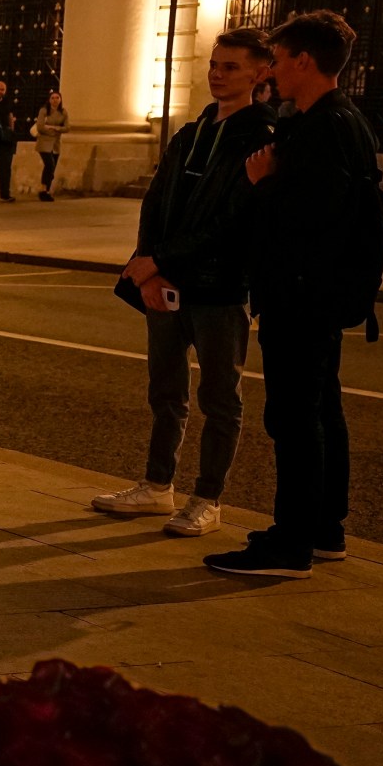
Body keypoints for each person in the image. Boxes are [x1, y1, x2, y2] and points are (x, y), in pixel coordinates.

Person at [208, 10, 383, 579]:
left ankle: (291, 545)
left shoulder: (323, 126)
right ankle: (323, 529)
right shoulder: (339, 119)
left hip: (301, 294)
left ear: (304, 60)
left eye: (279, 61)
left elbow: (312, 219)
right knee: (321, 410)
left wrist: (264, 185)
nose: (272, 73)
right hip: (317, 293)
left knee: (294, 418)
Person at [95, 31, 276, 540]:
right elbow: (156, 201)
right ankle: (157, 486)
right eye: (216, 65)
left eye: (233, 67)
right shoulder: (192, 131)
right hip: (168, 282)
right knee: (166, 390)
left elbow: (231, 218)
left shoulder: (260, 134)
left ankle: (207, 497)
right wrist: (144, 266)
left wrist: (159, 262)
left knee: (221, 396)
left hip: (219, 287)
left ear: (261, 73)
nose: (218, 74)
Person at [32, 93, 68, 201]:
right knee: (49, 165)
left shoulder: (63, 112)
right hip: (44, 142)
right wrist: (55, 131)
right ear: (49, 100)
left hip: (56, 144)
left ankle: (47, 190)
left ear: (60, 99)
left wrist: (54, 127)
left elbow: (67, 128)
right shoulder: (44, 110)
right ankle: (43, 190)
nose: (55, 100)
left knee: (52, 168)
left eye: (57, 98)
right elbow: (40, 127)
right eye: (52, 98)